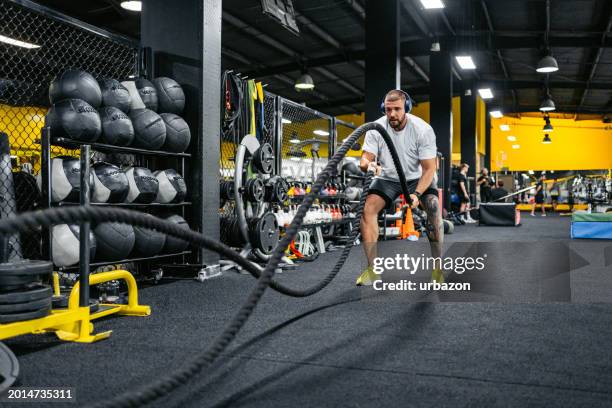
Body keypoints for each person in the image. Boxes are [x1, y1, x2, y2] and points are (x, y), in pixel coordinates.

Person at [357, 89, 444, 286]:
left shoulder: (422, 129)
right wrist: (368, 165)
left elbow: (430, 168)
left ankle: (438, 269)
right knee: (367, 209)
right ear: (383, 109)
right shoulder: (376, 128)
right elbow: (364, 159)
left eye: (397, 109)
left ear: (406, 108)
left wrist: (416, 194)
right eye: (388, 109)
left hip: (417, 177)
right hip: (388, 177)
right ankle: (372, 270)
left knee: (433, 207)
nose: (392, 114)